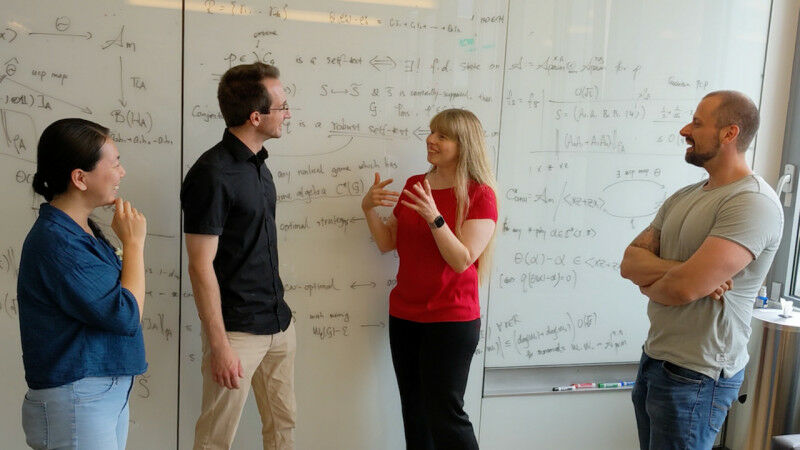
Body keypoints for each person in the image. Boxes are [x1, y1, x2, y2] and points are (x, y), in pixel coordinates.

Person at [620, 90, 784, 449]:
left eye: (697, 123)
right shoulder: (683, 197)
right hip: (656, 360)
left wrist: (662, 282)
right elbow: (629, 263)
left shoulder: (752, 203)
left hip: (697, 374)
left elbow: (681, 291)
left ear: (729, 133)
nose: (684, 130)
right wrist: (681, 271)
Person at [361, 108, 498, 449]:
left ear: (463, 145)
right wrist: (368, 209)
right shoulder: (415, 185)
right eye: (431, 132)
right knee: (415, 413)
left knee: (446, 415)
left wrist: (435, 218)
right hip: (405, 316)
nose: (430, 140)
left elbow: (462, 260)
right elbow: (386, 242)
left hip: (450, 319)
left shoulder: (481, 195)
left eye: (442, 136)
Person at [181, 62, 295, 450]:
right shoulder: (212, 174)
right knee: (216, 438)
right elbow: (200, 266)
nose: (288, 114)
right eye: (282, 106)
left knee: (283, 426)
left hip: (278, 322)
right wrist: (220, 346)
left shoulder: (259, 166)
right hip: (237, 331)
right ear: (255, 116)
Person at [17, 118, 147, 449]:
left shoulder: (79, 230)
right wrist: (133, 245)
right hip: (77, 398)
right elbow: (126, 315)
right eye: (115, 163)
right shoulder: (57, 242)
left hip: (94, 396)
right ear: (80, 178)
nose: (122, 173)